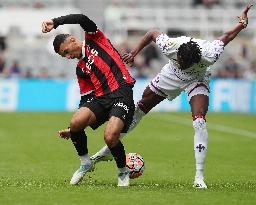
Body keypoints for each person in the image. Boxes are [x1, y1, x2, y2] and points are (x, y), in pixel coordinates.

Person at [90, 4, 253, 188]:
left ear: (195, 60)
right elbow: (152, 32)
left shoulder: (210, 53)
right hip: (171, 75)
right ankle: (108, 150)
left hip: (196, 78)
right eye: (180, 60)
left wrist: (241, 24)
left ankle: (199, 178)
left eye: (185, 62)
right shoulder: (171, 47)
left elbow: (227, 36)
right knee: (140, 107)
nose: (181, 63)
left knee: (199, 121)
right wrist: (135, 51)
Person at [41, 13, 135, 187]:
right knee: (76, 121)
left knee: (110, 135)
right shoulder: (81, 68)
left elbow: (82, 18)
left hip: (121, 93)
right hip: (101, 99)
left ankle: (123, 171)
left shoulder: (95, 39)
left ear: (72, 40)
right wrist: (73, 128)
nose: (68, 57)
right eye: (65, 56)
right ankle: (86, 163)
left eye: (67, 52)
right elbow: (85, 99)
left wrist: (55, 22)